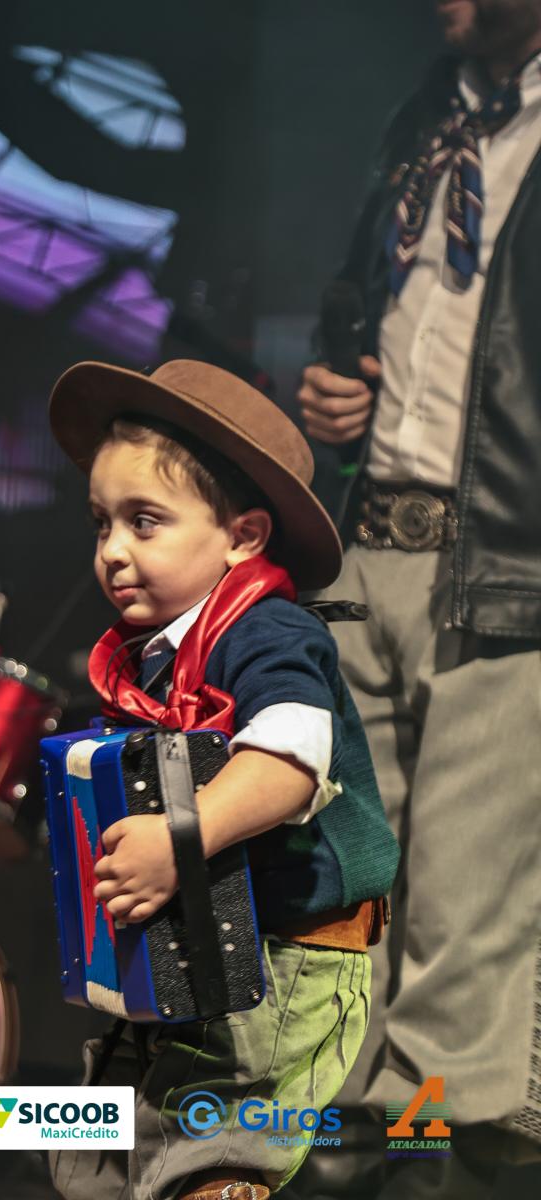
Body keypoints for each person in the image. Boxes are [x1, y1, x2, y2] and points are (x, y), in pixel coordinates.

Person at [46, 358, 399, 1200]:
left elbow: (289, 761)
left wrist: (178, 841)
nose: (114, 552)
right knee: (100, 1162)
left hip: (285, 961)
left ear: (242, 536)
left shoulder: (268, 633)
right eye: (101, 524)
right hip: (195, 956)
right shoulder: (155, 655)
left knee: (209, 1159)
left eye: (145, 521)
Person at [296, 3, 541, 1198]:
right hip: (369, 539)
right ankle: (339, 1134)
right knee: (346, 867)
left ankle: (433, 1158)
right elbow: (366, 311)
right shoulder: (424, 121)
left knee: (459, 902)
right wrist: (334, 397)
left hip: (503, 552)